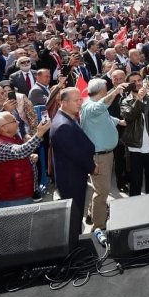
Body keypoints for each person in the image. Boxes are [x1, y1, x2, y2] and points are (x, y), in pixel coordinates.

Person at [79, 78, 128, 229]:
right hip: (99, 156)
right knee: (102, 192)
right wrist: (116, 91)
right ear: (101, 91)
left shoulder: (93, 106)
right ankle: (99, 225)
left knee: (98, 188)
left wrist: (118, 121)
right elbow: (100, 108)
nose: (107, 91)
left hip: (104, 154)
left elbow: (104, 117)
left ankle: (91, 214)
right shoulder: (90, 106)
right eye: (106, 89)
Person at [50, 87, 96, 235]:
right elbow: (75, 153)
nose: (80, 103)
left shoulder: (67, 117)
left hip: (74, 175)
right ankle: (74, 249)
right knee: (73, 218)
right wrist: (92, 167)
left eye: (80, 99)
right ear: (63, 102)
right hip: (71, 179)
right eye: (76, 100)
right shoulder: (63, 125)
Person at [0, 111, 49, 208]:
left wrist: (29, 159)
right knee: (18, 223)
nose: (18, 122)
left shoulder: (11, 137)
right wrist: (39, 134)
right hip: (12, 199)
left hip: (20, 195)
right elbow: (20, 151)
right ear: (4, 128)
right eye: (14, 121)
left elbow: (16, 157)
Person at [119, 71, 149, 195]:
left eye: (139, 80)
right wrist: (139, 99)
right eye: (133, 82)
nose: (137, 83)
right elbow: (129, 116)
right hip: (135, 148)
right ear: (128, 85)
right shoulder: (124, 101)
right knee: (135, 182)